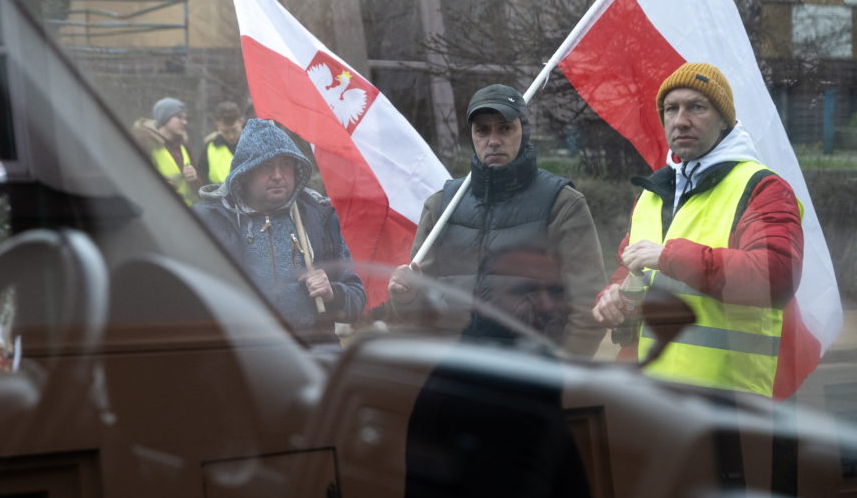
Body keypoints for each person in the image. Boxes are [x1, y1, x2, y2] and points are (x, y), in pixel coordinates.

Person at [592, 62, 803, 398]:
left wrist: (669, 257)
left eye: (697, 107)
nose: (681, 119)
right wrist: (614, 298)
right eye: (671, 109)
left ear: (725, 120)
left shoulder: (763, 188)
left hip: (727, 405)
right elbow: (630, 270)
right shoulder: (652, 193)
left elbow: (777, 277)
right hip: (647, 396)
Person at [387, 84, 607, 357]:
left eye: (505, 128)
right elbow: (421, 312)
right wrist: (406, 297)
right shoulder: (440, 206)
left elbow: (588, 306)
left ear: (523, 132)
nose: (493, 140)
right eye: (483, 130)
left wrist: (564, 376)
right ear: (472, 136)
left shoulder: (563, 203)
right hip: (453, 376)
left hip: (532, 379)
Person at [194, 118, 365, 348]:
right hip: (240, 357)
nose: (278, 175)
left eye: (285, 164)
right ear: (244, 173)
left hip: (314, 354)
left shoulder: (319, 217)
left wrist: (332, 293)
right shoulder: (209, 221)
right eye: (266, 166)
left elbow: (356, 298)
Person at [132, 97, 199, 205]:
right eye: (179, 117)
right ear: (164, 118)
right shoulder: (144, 144)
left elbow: (199, 188)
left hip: (188, 213)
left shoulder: (184, 144)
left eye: (186, 118)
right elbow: (134, 182)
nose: (184, 122)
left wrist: (194, 178)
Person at [197, 100, 244, 185]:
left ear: (241, 121)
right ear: (217, 125)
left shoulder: (256, 144)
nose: (231, 136)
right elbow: (201, 180)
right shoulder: (209, 148)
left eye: (234, 130)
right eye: (225, 132)